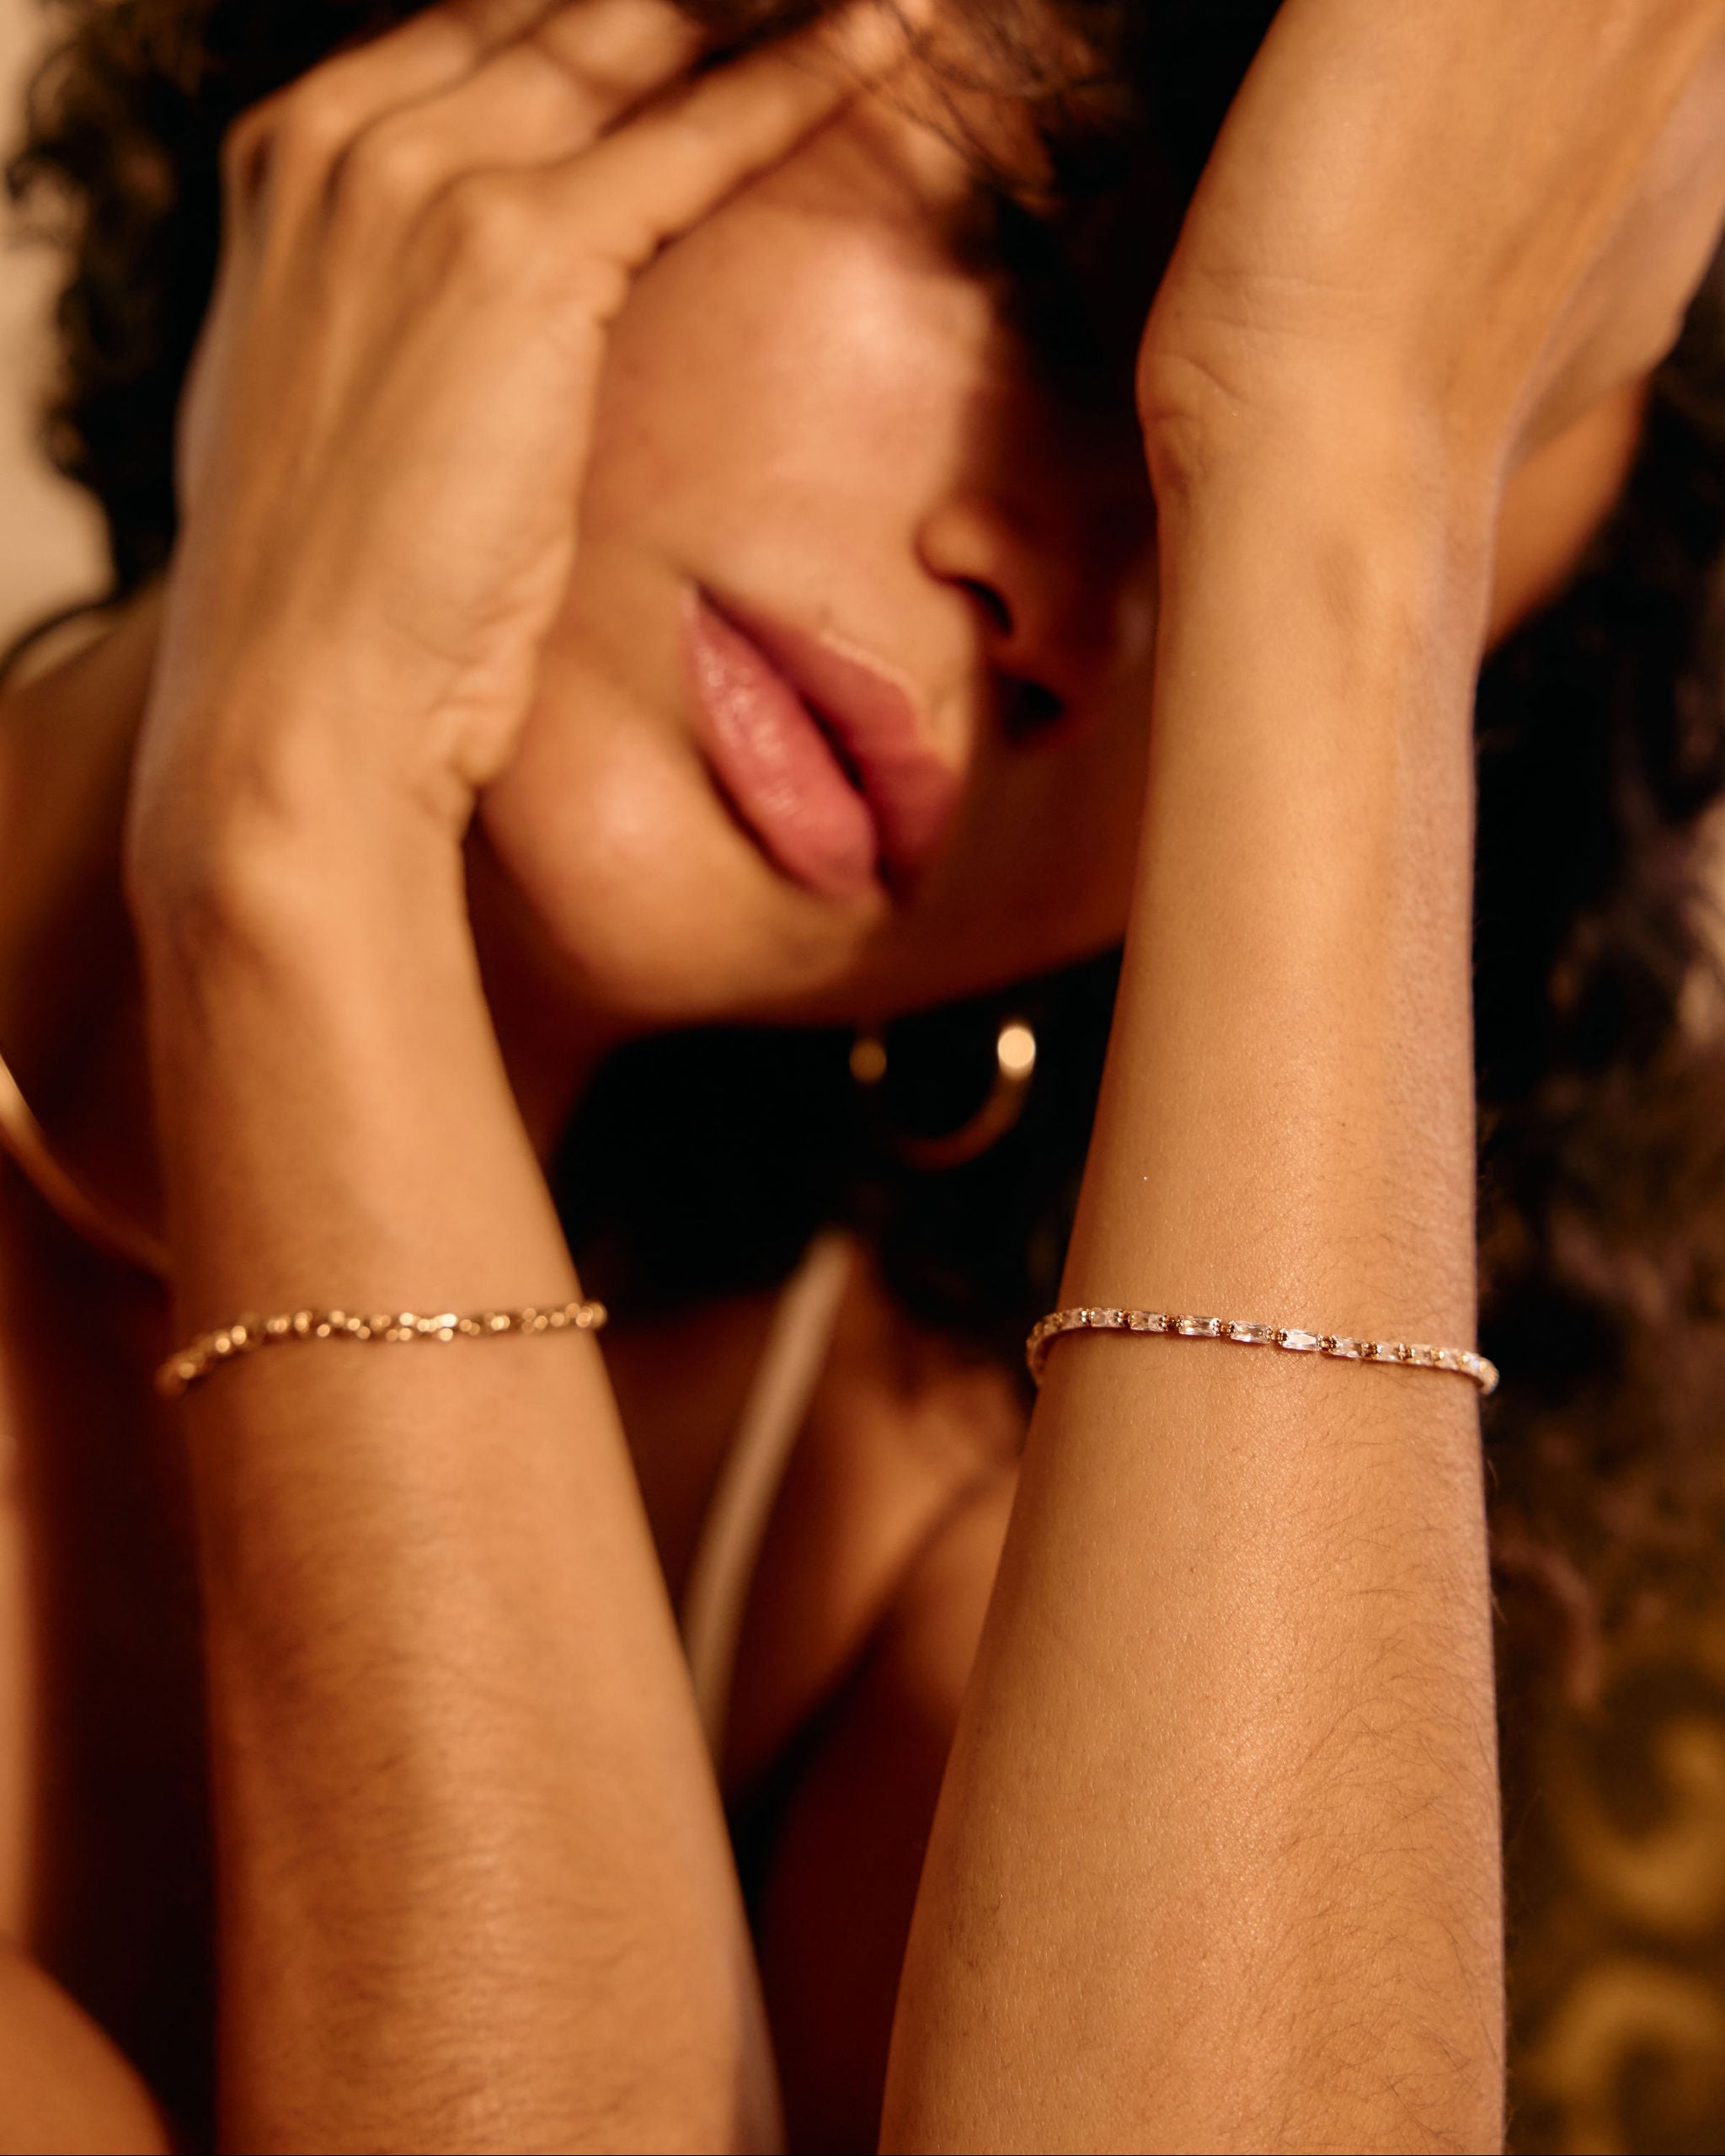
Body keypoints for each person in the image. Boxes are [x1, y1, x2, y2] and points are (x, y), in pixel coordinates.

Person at [2, 0, 1724, 2145]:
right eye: (1036, 254)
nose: (1071, 620)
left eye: (1228, 547)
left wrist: (299, 839)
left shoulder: (929, 1581)